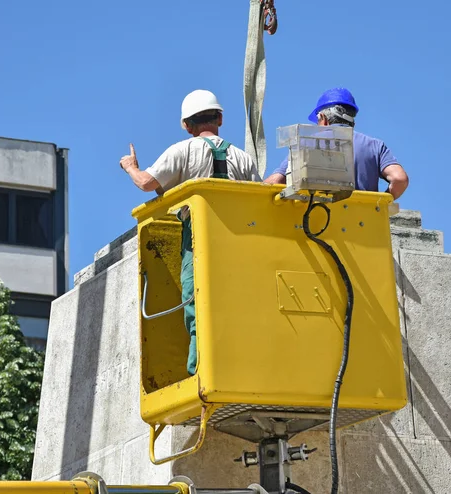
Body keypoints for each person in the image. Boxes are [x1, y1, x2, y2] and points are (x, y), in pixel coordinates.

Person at [120, 89, 261, 376]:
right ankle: (241, 368)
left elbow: (147, 183)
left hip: (198, 241)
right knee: (236, 303)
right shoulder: (243, 158)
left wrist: (131, 167)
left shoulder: (182, 151)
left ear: (187, 125)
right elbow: (258, 199)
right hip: (239, 242)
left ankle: (200, 370)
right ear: (220, 117)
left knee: (197, 300)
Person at [264, 88, 409, 200]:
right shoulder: (375, 146)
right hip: (363, 227)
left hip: (317, 225)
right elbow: (399, 179)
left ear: (323, 118)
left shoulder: (306, 143)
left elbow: (275, 182)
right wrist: (381, 204)